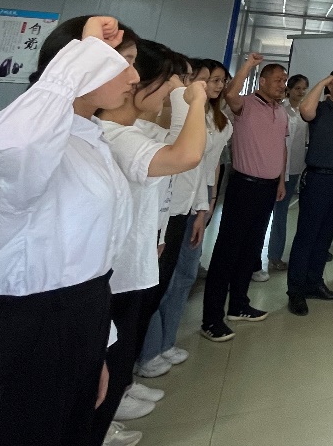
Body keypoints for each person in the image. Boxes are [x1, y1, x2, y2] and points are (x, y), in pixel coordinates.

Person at [0, 16, 138, 446]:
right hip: (37, 330)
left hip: (83, 319)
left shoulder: (91, 142)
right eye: (121, 63)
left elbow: (92, 262)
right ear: (75, 63)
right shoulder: (40, 144)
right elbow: (19, 140)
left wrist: (98, 346)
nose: (134, 78)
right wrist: (85, 51)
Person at [91, 40, 207, 443]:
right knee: (108, 353)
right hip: (113, 269)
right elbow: (185, 154)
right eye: (171, 82)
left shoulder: (136, 131)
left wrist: (157, 235)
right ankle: (100, 423)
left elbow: (176, 151)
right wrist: (194, 102)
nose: (175, 91)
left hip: (135, 259)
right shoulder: (113, 135)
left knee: (123, 344)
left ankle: (112, 404)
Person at [137, 60, 230, 375]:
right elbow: (181, 156)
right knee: (154, 283)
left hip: (190, 206)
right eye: (199, 80)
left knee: (183, 278)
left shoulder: (207, 117)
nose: (204, 86)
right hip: (165, 212)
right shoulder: (165, 116)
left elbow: (202, 167)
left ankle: (165, 342)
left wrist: (203, 208)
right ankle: (148, 352)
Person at [200, 54, 288, 342]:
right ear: (262, 81)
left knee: (251, 249)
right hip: (244, 187)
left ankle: (238, 305)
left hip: (268, 188)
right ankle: (211, 319)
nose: (282, 85)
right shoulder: (246, 104)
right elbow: (229, 94)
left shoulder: (281, 111)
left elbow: (281, 147)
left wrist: (280, 179)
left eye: (284, 80)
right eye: (278, 80)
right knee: (227, 252)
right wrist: (248, 65)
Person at [286, 69, 333, 315]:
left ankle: (314, 283)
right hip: (319, 178)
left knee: (325, 235)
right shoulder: (319, 108)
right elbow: (305, 111)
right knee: (307, 235)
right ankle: (296, 291)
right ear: (330, 86)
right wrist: (322, 82)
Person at [267, 73, 309, 272]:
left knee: (282, 212)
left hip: (294, 169)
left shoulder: (305, 112)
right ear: (289, 90)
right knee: (271, 212)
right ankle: (265, 256)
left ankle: (275, 254)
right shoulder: (279, 109)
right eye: (297, 88)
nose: (301, 92)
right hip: (274, 168)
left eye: (304, 89)